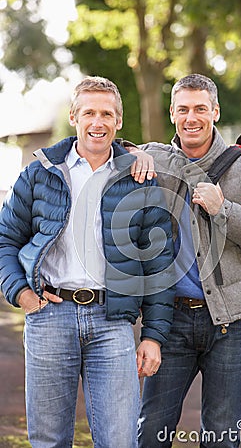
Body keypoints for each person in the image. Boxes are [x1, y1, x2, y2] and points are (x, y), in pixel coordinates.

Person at [0, 76, 175, 448]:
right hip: (49, 316)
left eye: (107, 114)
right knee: (49, 440)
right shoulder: (39, 173)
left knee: (119, 439)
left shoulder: (139, 179)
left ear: (119, 122)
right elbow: (5, 240)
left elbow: (159, 263)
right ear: (74, 117)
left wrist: (153, 336)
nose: (98, 122)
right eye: (90, 113)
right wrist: (21, 293)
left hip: (112, 322)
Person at [131, 74, 241, 448]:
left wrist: (225, 210)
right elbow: (104, 152)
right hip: (167, 322)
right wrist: (132, 151)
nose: (192, 117)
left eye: (200, 108)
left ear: (215, 112)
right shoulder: (154, 159)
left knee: (221, 438)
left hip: (230, 325)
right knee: (150, 432)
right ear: (172, 112)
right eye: (183, 109)